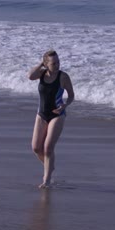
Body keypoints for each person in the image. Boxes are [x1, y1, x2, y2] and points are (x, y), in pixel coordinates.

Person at [27, 50, 75, 188]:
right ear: (46, 64)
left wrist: (65, 105)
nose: (57, 65)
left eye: (58, 62)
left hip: (57, 115)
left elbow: (71, 95)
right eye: (53, 63)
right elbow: (30, 76)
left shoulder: (63, 77)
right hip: (41, 114)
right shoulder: (41, 74)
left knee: (48, 147)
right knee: (36, 148)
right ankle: (49, 166)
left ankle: (46, 180)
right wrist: (41, 63)